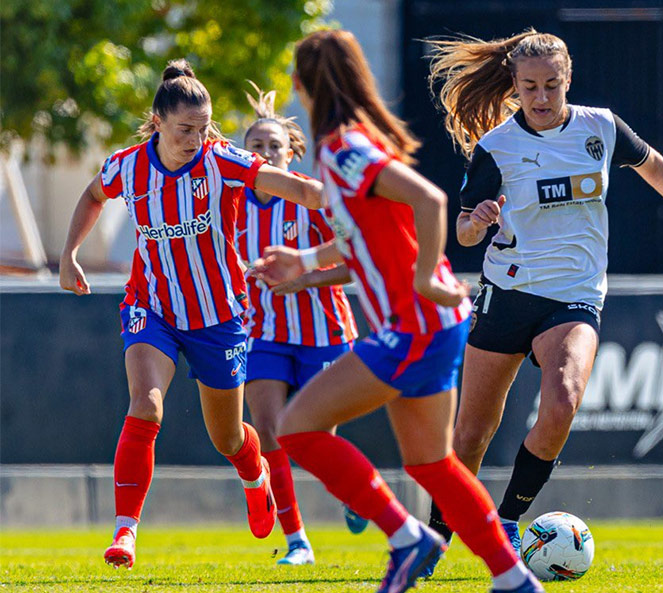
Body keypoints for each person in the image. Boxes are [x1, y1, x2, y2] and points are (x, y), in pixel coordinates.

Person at [421, 29, 663, 570]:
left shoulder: (600, 127)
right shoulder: (497, 147)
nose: (543, 97)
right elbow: (460, 232)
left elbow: (655, 166)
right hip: (506, 293)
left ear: (567, 80)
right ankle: (434, 539)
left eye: (552, 85)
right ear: (514, 86)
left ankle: (505, 524)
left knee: (563, 400)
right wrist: (475, 222)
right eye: (530, 87)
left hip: (574, 297)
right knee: (471, 435)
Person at [250, 30, 544, 593]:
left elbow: (429, 201)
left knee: (294, 429)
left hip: (414, 325)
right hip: (431, 325)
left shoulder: (343, 146)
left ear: (304, 83)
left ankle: (407, 539)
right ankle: (512, 578)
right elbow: (367, 235)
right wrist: (304, 261)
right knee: (431, 465)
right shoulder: (346, 144)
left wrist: (422, 281)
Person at [58, 59, 326, 569]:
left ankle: (253, 476)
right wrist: (70, 252)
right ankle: (126, 532)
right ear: (157, 122)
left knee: (227, 437)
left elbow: (290, 186)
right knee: (147, 404)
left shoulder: (220, 159)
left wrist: (342, 199)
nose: (195, 138)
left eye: (203, 129)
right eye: (185, 129)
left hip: (218, 317)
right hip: (151, 306)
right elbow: (93, 195)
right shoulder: (128, 165)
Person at [237, 84, 363, 565]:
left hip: (322, 331)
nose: (265, 154)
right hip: (262, 333)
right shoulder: (229, 206)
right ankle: (297, 542)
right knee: (268, 431)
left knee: (313, 438)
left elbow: (358, 259)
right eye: (256, 146)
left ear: (292, 155)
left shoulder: (312, 202)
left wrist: (304, 279)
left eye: (275, 146)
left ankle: (354, 492)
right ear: (243, 154)